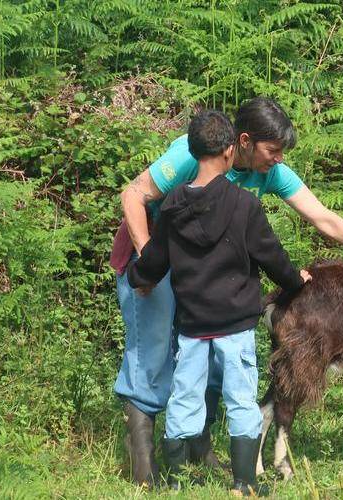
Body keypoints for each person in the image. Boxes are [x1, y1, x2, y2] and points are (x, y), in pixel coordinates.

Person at [111, 97, 343, 487]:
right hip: (151, 255)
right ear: (241, 142)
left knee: (209, 364)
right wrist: (148, 263)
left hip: (200, 272)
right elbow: (133, 195)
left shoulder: (269, 172)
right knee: (153, 356)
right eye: (272, 151)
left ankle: (199, 456)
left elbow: (323, 216)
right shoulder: (196, 154)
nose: (278, 159)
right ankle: (143, 469)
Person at [127, 110, 301, 494]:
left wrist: (140, 279)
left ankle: (175, 481)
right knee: (240, 398)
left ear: (191, 150)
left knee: (185, 395)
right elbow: (273, 257)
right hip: (236, 326)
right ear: (229, 152)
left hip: (192, 327)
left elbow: (154, 260)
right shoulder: (245, 206)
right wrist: (295, 281)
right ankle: (244, 483)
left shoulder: (171, 210)